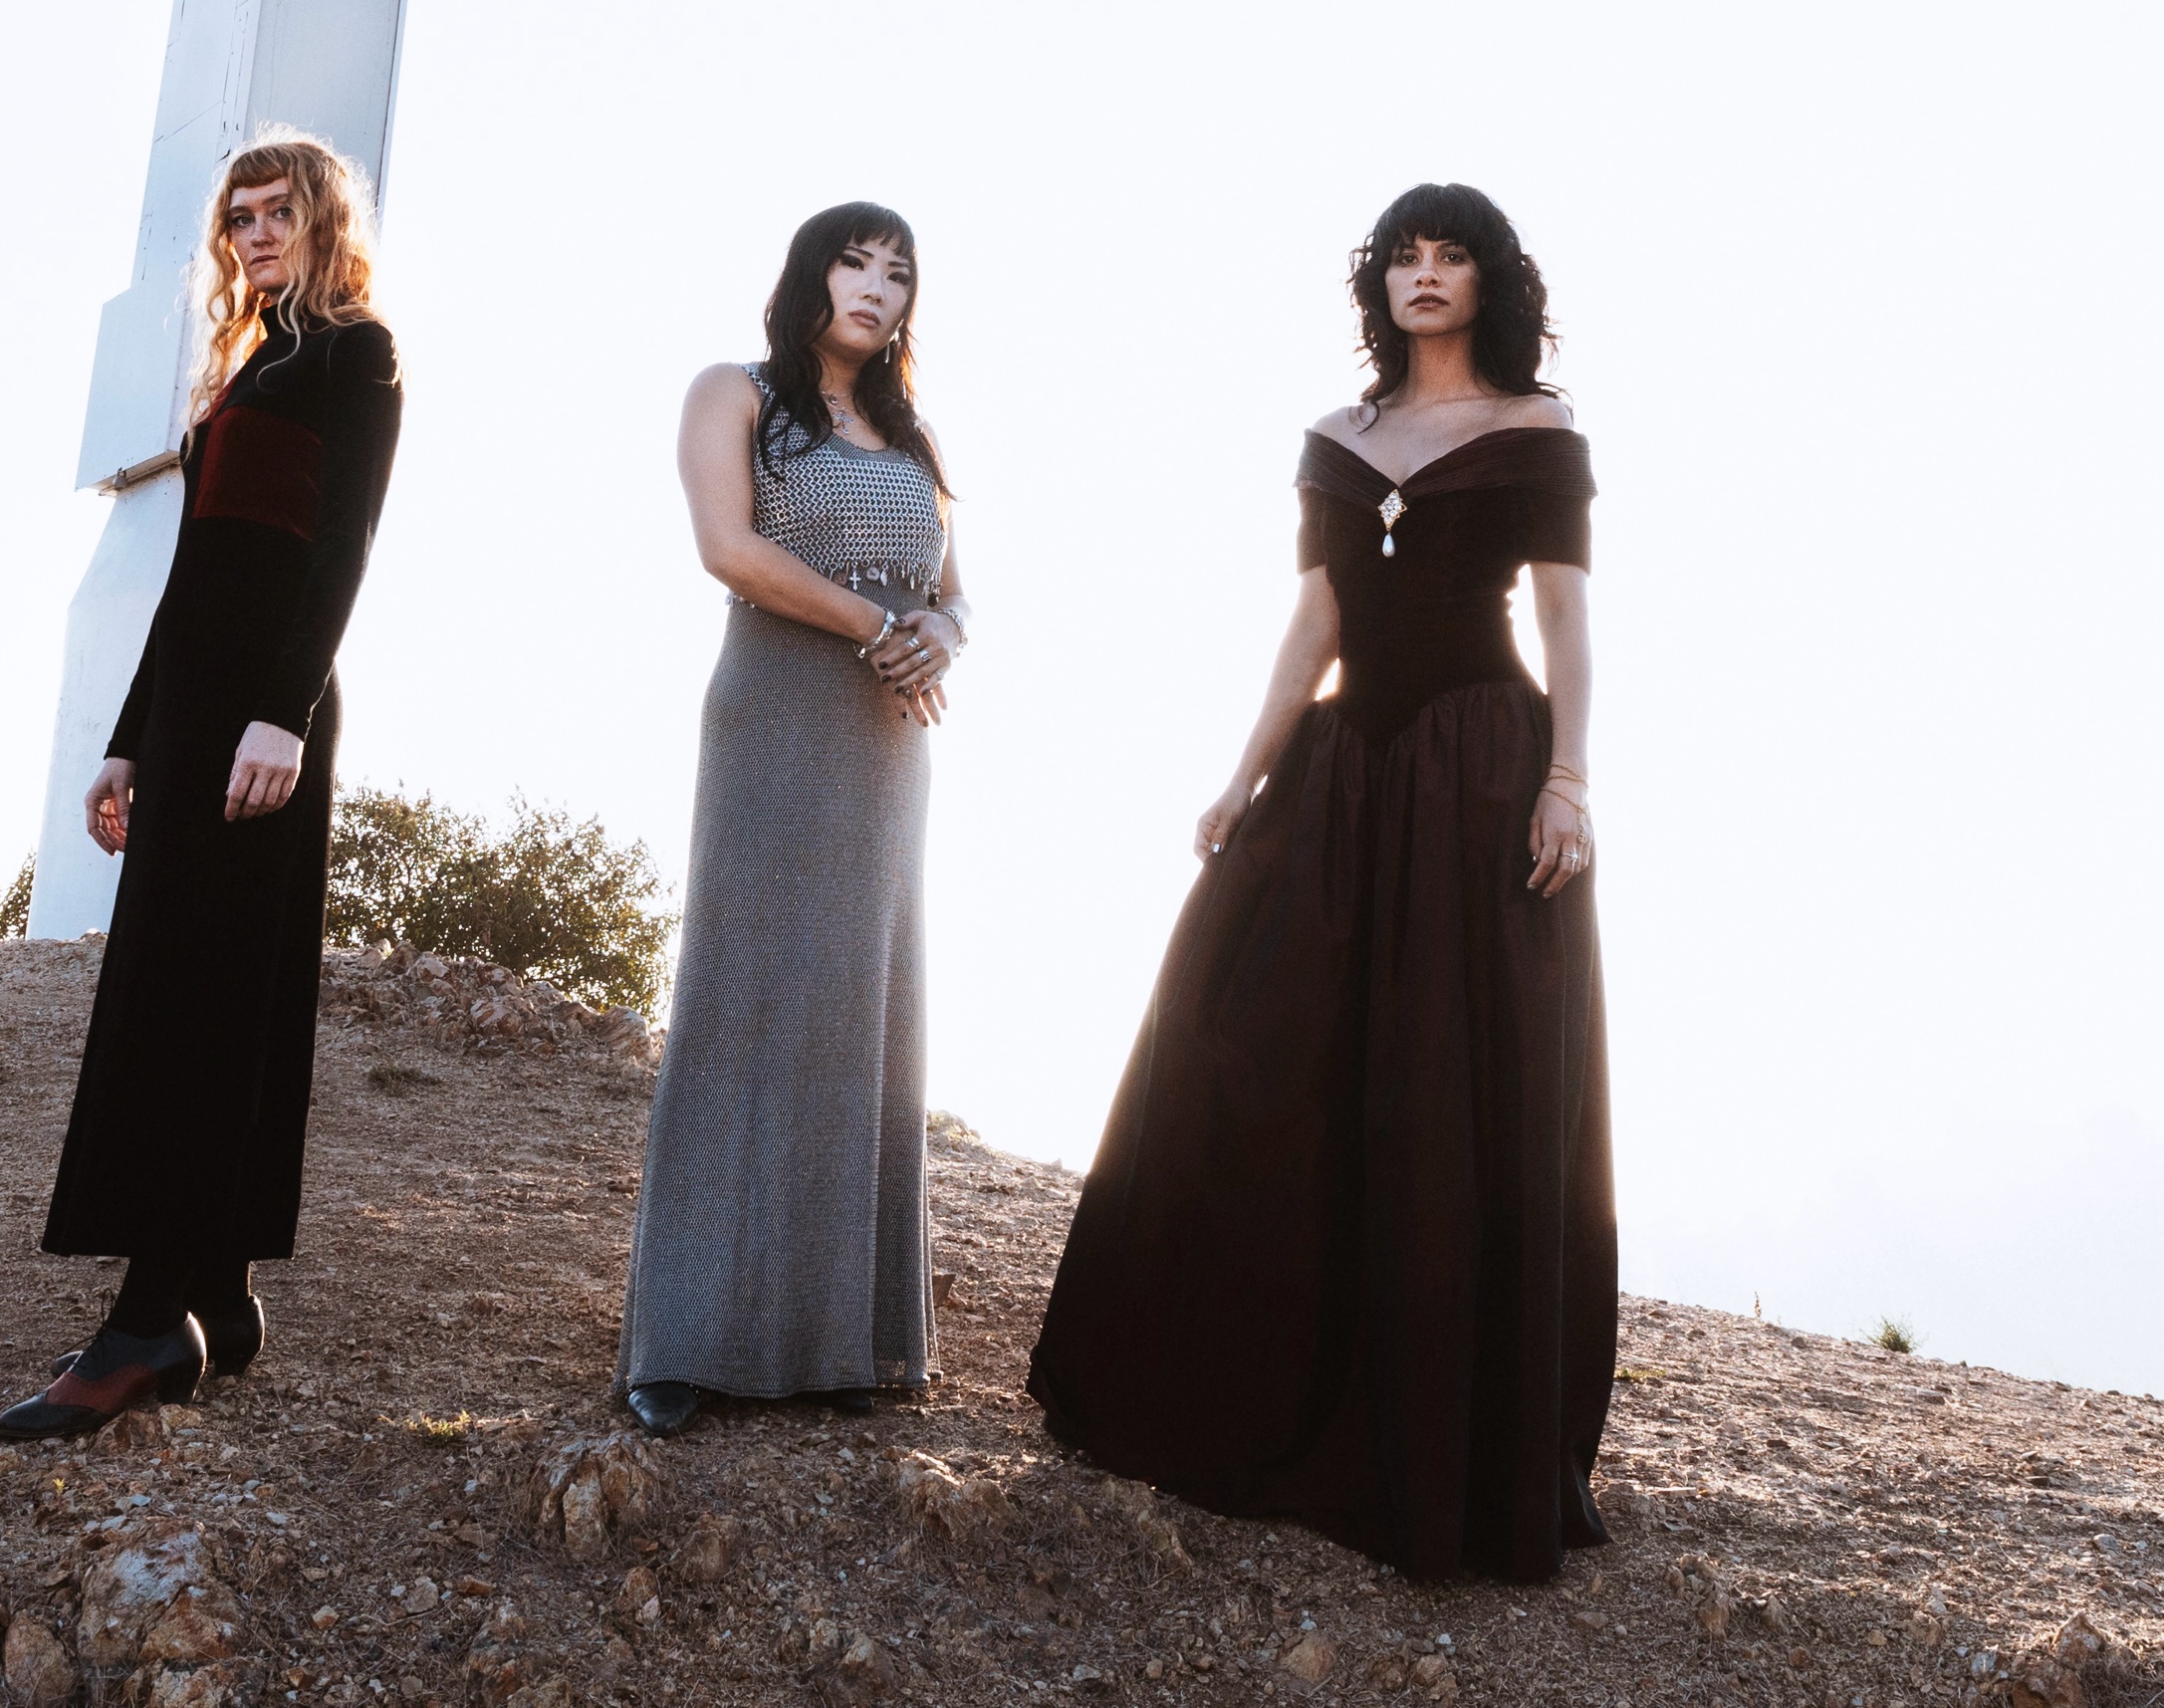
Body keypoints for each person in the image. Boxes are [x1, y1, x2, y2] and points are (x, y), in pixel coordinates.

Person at [1026, 182, 1612, 1582]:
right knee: (1244, 1032)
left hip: (1478, 775)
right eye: (1405, 255)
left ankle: (1439, 1437)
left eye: (1451, 254)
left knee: (1445, 1088)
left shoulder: (1539, 432)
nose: (1426, 274)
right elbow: (1315, 620)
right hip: (1344, 770)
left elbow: (1565, 623)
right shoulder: (1335, 441)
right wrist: (1243, 775)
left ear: (1488, 281)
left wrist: (1568, 779)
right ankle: (1232, 1386)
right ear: (1380, 284)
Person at [0, 132, 405, 1440]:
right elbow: (189, 575)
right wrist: (127, 737)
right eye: (240, 217)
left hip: (264, 713)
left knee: (205, 999)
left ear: (324, 221)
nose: (256, 234)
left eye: (280, 212)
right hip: (187, 714)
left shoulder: (355, 356)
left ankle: (144, 1323)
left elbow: (342, 550)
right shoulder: (244, 365)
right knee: (189, 986)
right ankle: (217, 1298)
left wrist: (284, 714)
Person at [617, 203, 973, 1435]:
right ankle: (684, 1342)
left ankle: (838, 1343)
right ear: (808, 274)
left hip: (889, 738)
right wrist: (878, 626)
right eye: (853, 262)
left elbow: (956, 591)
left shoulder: (914, 433)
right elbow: (727, 548)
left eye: (898, 273)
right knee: (744, 1000)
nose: (875, 287)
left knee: (860, 1011)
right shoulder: (735, 394)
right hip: (776, 710)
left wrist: (943, 632)